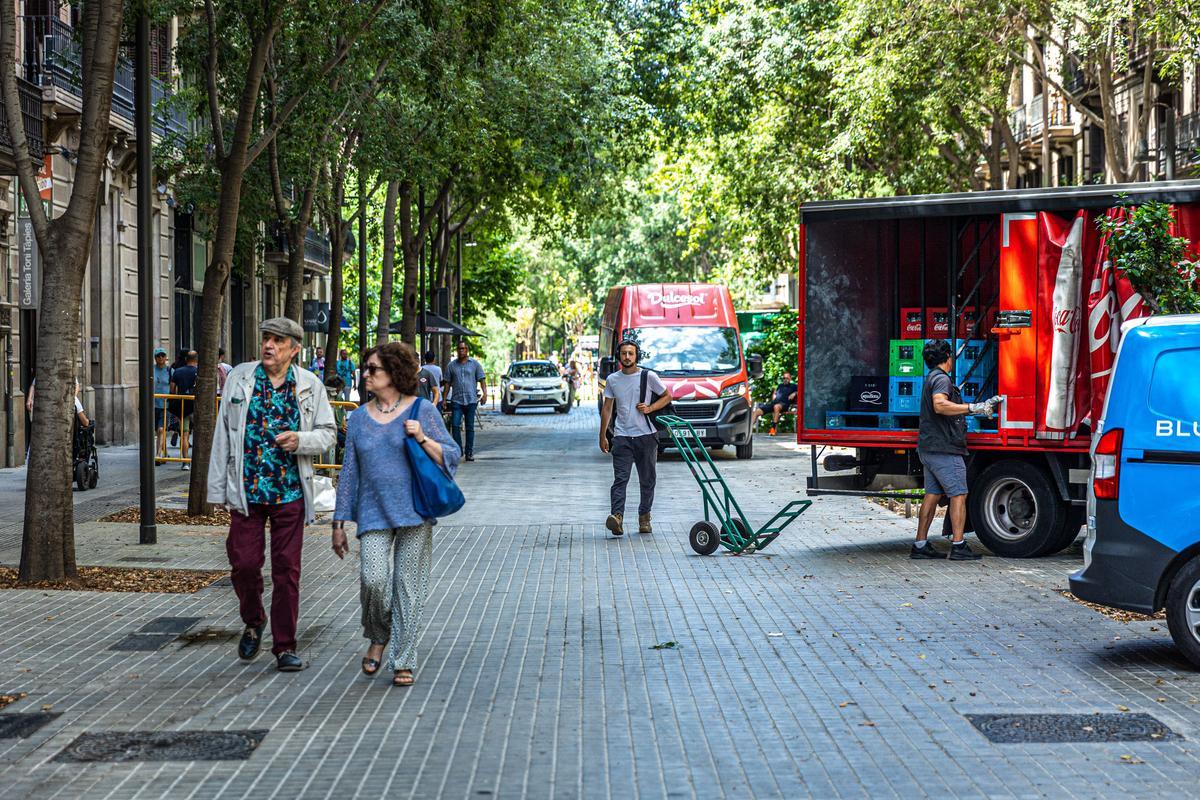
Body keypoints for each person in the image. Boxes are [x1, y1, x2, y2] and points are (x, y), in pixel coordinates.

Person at [207, 317, 336, 672]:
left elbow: (328, 433)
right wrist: (217, 490)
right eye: (266, 338)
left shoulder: (309, 385)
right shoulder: (240, 378)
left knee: (286, 571)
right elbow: (223, 434)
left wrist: (301, 440)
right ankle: (254, 619)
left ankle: (285, 646)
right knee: (244, 565)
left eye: (278, 341)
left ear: (294, 349)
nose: (269, 346)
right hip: (247, 491)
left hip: (290, 491)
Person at [332, 341, 460, 687]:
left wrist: (422, 438)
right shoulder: (357, 419)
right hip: (373, 512)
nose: (366, 374)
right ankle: (378, 634)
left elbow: (451, 454)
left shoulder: (421, 411)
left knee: (408, 587)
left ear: (394, 373)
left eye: (373, 369)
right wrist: (338, 522)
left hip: (415, 511)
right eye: (366, 368)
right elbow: (349, 473)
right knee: (373, 580)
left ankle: (403, 658)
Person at [911, 339, 1001, 561]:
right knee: (959, 494)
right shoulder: (941, 379)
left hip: (930, 447)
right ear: (948, 358)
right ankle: (959, 546)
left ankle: (920, 544)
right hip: (945, 449)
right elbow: (939, 405)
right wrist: (973, 408)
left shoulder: (931, 377)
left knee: (932, 496)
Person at [599, 340, 673, 536]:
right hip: (622, 437)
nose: (627, 357)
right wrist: (603, 435)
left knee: (647, 480)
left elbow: (667, 396)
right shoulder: (613, 380)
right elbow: (608, 408)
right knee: (620, 479)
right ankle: (617, 517)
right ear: (619, 356)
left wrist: (650, 408)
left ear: (636, 355)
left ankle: (644, 518)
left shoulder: (649, 376)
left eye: (631, 353)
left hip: (646, 436)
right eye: (624, 353)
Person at [443, 340, 487, 461]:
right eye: (459, 349)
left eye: (463, 349)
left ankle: (469, 452)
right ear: (457, 351)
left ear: (467, 350)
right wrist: (444, 399)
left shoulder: (475, 364)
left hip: (471, 400)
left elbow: (482, 379)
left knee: (470, 427)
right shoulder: (451, 366)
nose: (461, 351)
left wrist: (485, 394)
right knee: (455, 425)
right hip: (456, 400)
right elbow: (447, 383)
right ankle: (459, 450)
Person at [170, 351, 199, 470]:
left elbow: (172, 389)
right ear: (196, 359)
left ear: (186, 359)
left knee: (185, 435)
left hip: (183, 406)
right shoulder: (200, 372)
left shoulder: (178, 371)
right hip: (197, 407)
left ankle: (186, 462)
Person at [751, 371, 798, 435]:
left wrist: (794, 393)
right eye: (784, 378)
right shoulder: (780, 386)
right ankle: (749, 429)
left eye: (787, 378)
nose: (785, 379)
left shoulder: (794, 386)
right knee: (757, 411)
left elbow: (801, 391)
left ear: (790, 378)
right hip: (774, 403)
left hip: (784, 404)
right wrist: (774, 395)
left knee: (776, 406)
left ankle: (773, 429)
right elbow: (775, 394)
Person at [153, 347, 172, 457]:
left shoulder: (170, 370)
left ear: (166, 357)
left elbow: (174, 387)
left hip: (165, 405)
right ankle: (164, 451)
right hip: (153, 404)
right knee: (158, 430)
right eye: (158, 356)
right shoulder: (150, 370)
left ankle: (158, 454)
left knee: (161, 429)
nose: (161, 358)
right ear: (155, 358)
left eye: (163, 356)